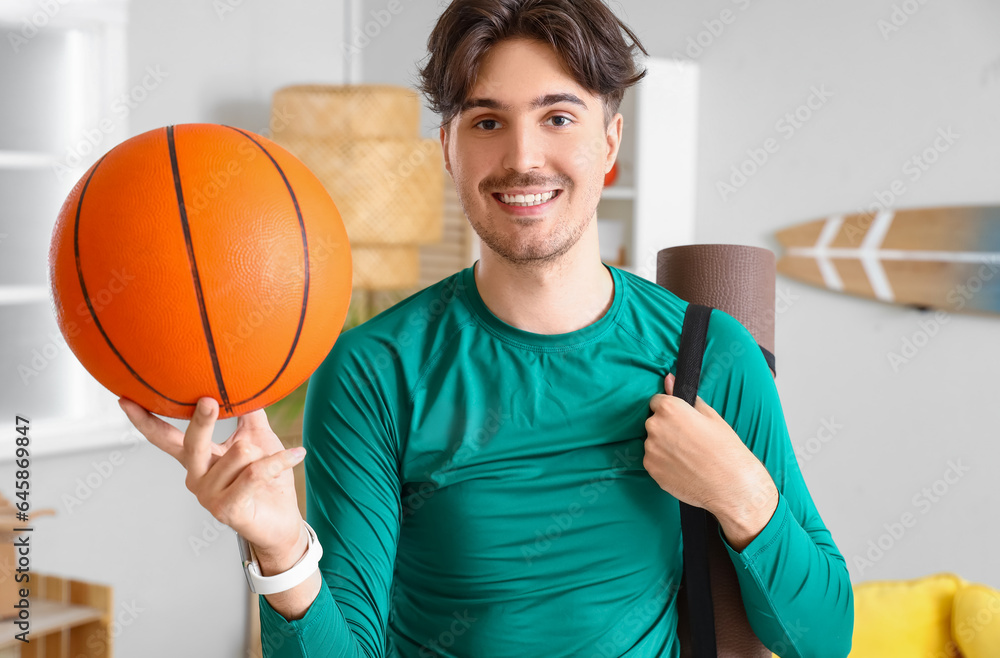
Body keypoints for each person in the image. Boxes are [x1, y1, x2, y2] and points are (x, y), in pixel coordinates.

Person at [119, 0, 854, 656]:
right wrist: (280, 548)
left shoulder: (710, 355)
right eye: (487, 121)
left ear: (609, 142)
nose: (523, 158)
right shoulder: (375, 370)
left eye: (558, 117)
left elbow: (824, 639)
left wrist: (740, 494)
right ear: (448, 147)